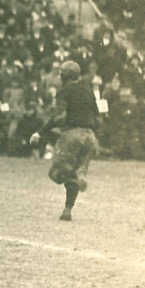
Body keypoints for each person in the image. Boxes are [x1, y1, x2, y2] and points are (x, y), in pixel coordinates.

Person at [31, 60, 100, 221]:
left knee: (56, 173)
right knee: (74, 174)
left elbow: (59, 116)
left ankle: (75, 175)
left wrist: (40, 132)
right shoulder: (89, 92)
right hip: (89, 136)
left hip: (72, 135)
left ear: (65, 76)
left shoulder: (64, 92)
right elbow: (98, 119)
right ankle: (67, 209)